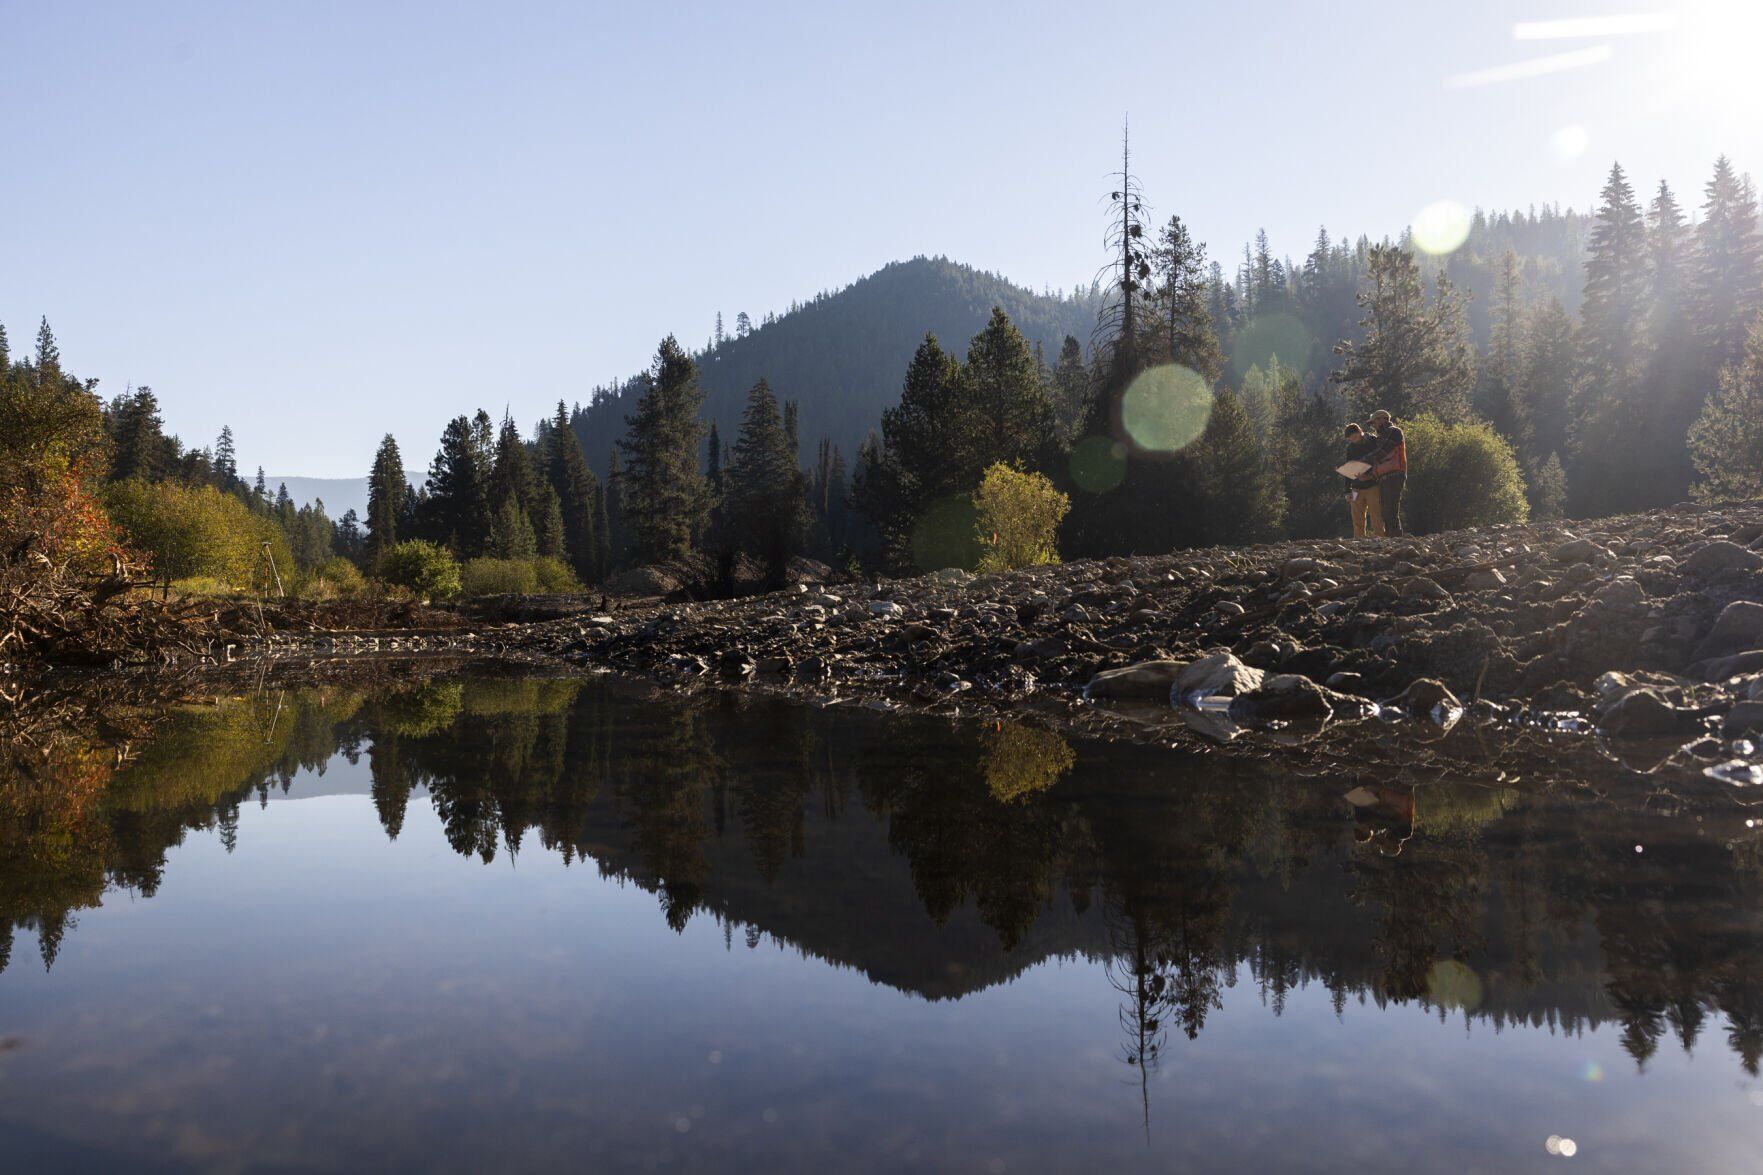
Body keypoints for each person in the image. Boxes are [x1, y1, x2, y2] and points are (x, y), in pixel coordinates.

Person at [1365, 409, 1407, 536]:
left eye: (1374, 423)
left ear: (1381, 419)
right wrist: (1369, 475)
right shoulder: (1382, 436)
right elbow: (1380, 460)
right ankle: (1393, 540)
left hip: (1394, 475)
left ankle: (1397, 541)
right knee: (1386, 511)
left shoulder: (1393, 431)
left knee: (1390, 510)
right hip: (1385, 477)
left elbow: (1380, 453)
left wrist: (1360, 462)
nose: (1373, 426)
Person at [1342, 423, 1385, 539]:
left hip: (1373, 486)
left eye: (1355, 437)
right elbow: (1348, 469)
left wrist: (1370, 475)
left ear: (1360, 431)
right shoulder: (1350, 448)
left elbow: (1381, 462)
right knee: (1357, 520)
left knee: (1376, 517)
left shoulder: (1373, 441)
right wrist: (1347, 491)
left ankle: (1380, 540)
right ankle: (1359, 543)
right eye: (1351, 440)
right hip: (1356, 488)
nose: (1354, 441)